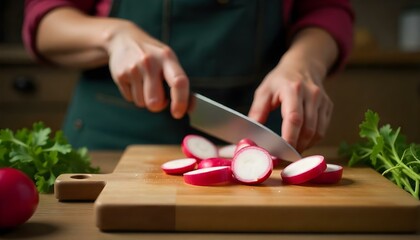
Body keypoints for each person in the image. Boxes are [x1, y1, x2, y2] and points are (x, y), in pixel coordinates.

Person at [22, 0, 354, 153]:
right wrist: (113, 36)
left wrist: (303, 62)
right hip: (108, 145)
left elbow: (326, 9)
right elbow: (45, 20)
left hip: (258, 142)